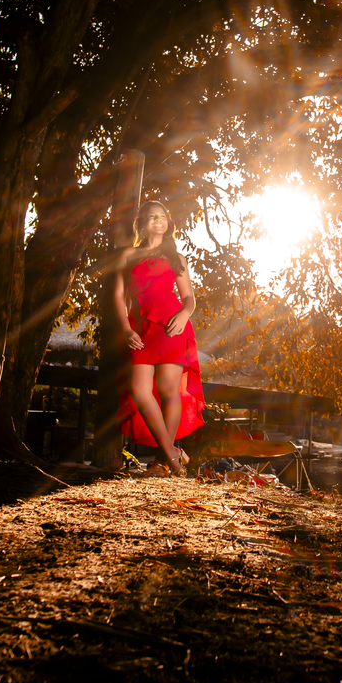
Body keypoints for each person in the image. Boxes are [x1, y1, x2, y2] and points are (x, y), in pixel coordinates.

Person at [114, 201, 205, 476]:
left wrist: (184, 315)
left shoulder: (177, 258)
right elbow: (118, 296)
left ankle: (163, 462)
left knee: (169, 391)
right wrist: (126, 329)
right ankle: (173, 453)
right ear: (142, 222)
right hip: (140, 329)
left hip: (171, 327)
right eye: (152, 217)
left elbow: (189, 298)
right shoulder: (129, 254)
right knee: (140, 390)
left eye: (163, 216)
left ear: (168, 222)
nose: (158, 220)